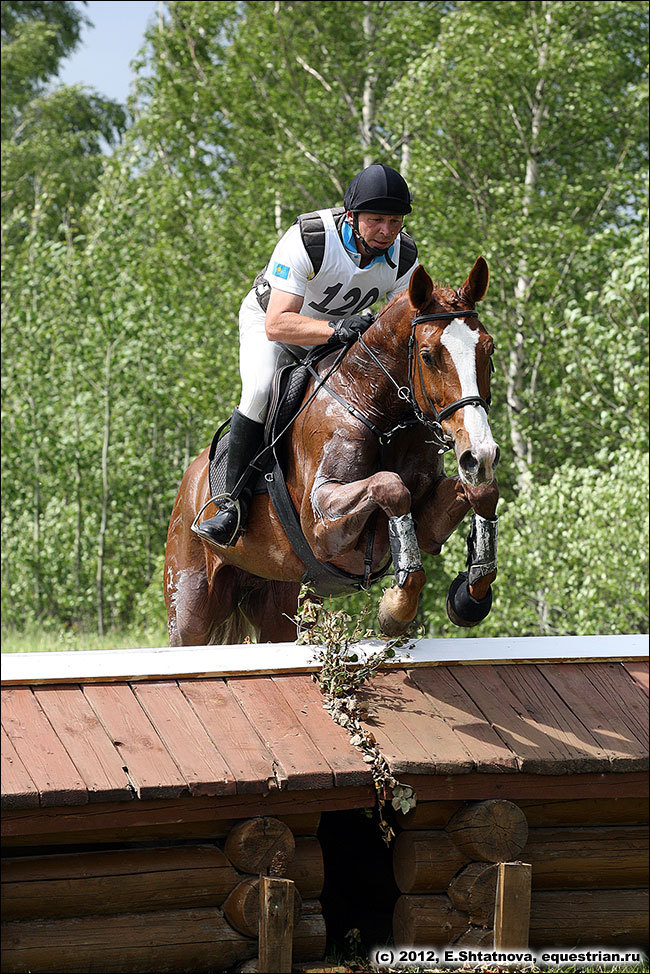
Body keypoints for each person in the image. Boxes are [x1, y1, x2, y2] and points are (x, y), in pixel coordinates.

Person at [195, 163, 419, 547]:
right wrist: (336, 329)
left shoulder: (403, 254)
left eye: (395, 221)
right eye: (376, 220)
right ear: (351, 217)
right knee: (261, 391)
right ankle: (230, 504)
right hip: (274, 325)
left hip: (336, 336)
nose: (386, 231)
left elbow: (413, 319)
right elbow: (277, 324)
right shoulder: (311, 238)